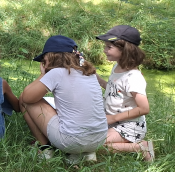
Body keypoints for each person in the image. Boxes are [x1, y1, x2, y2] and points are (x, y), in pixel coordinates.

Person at [19, 36, 107, 163]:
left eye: (44, 59)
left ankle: (45, 149)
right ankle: (84, 154)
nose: (43, 63)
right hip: (99, 139)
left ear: (51, 56)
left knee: (23, 99)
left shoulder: (56, 73)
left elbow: (27, 97)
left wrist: (43, 74)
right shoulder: (89, 73)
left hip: (71, 140)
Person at [96, 26, 153, 161]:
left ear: (124, 50)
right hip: (112, 122)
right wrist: (97, 78)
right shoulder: (117, 67)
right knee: (86, 138)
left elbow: (144, 108)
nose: (105, 50)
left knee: (95, 145)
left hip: (130, 126)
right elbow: (115, 91)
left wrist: (114, 118)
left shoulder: (133, 77)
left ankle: (141, 147)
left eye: (109, 47)